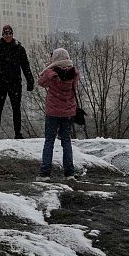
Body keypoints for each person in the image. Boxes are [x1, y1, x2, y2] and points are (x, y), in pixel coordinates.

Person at [0, 24, 35, 139]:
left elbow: (25, 66)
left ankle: (18, 133)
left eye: (9, 33)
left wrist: (30, 81)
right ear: (2, 35)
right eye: (6, 33)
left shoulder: (19, 49)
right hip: (0, 83)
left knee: (16, 108)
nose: (8, 35)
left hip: (15, 83)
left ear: (12, 34)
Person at [37, 48, 81, 179]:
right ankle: (69, 173)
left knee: (49, 141)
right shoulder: (74, 73)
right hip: (68, 112)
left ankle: (45, 173)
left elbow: (41, 82)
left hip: (53, 112)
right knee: (66, 141)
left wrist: (48, 68)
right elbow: (74, 87)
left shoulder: (51, 73)